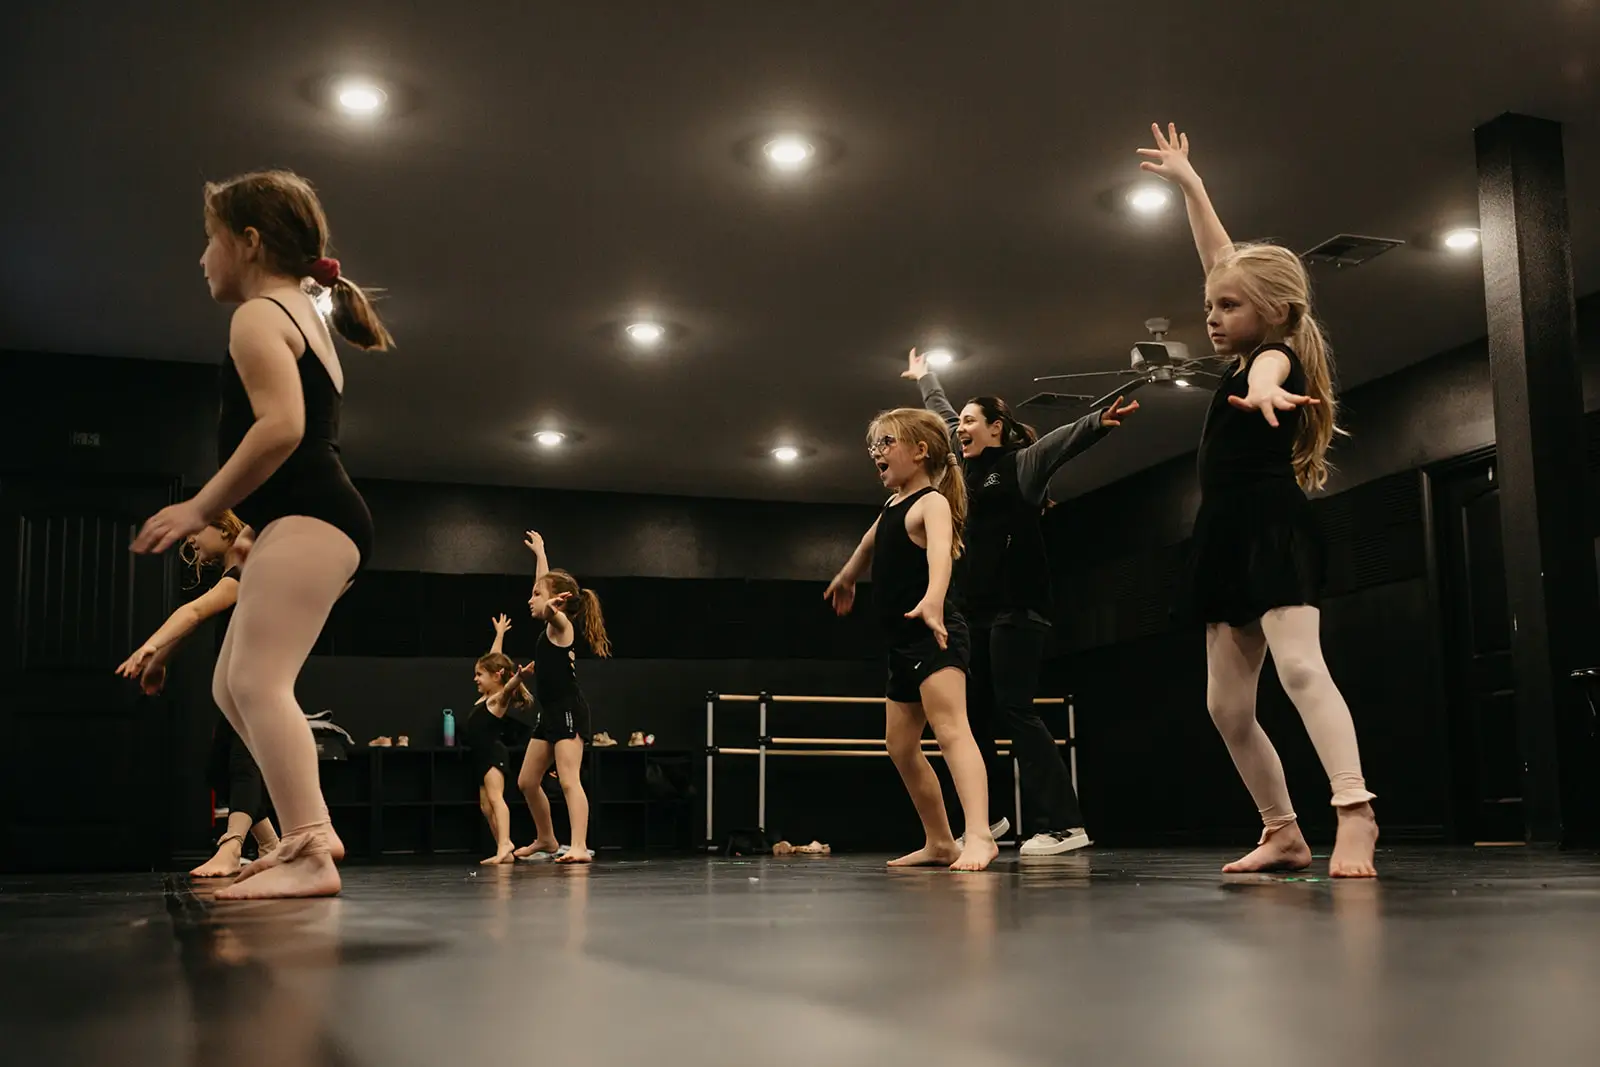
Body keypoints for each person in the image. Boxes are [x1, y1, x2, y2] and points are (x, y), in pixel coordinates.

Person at [132, 169, 392, 899]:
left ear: (248, 242)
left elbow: (284, 427)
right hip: (311, 520)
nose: (202, 259)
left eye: (208, 241)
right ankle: (298, 836)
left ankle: (311, 846)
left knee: (255, 679)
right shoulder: (301, 310)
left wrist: (197, 508)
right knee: (229, 683)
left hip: (314, 515)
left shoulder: (259, 315)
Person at [1138, 121, 1378, 877]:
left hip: (1272, 525)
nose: (1212, 315)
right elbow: (1220, 258)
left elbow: (1272, 363)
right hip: (1224, 533)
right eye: (1210, 304)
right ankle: (1282, 830)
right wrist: (1190, 182)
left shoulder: (1272, 355)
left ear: (1271, 313)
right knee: (1227, 707)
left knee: (1301, 669)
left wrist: (1269, 392)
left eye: (1228, 307)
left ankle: (1354, 811)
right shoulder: (1249, 334)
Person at [904, 350, 1138, 855]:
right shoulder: (959, 469)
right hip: (977, 613)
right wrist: (926, 377)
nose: (959, 428)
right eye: (959, 422)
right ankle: (990, 820)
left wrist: (1097, 421)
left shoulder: (1019, 466)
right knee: (973, 718)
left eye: (970, 421)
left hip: (1019, 609)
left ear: (996, 429)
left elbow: (1059, 444)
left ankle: (1064, 824)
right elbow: (943, 414)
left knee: (1015, 710)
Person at [824, 407, 997, 871]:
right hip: (901, 642)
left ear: (920, 452)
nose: (876, 453)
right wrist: (846, 578)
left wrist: (934, 599)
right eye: (874, 445)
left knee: (952, 729)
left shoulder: (931, 503)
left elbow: (941, 556)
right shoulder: (891, 507)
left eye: (886, 443)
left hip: (933, 633)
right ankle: (940, 841)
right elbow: (867, 547)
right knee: (900, 746)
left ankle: (979, 835)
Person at [117, 510, 280, 876]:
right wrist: (160, 662)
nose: (190, 541)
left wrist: (148, 647)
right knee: (217, 771)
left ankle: (232, 846)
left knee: (242, 763)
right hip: (239, 683)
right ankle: (273, 847)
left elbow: (192, 612)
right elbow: (195, 622)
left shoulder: (242, 576)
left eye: (195, 533)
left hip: (258, 680)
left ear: (224, 531)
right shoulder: (231, 578)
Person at [514, 531, 611, 864]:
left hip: (569, 710)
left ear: (558, 599)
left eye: (536, 594)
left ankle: (580, 846)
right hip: (549, 712)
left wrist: (551, 608)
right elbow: (544, 587)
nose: (531, 598)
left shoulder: (561, 625)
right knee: (527, 781)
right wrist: (540, 552)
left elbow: (549, 609)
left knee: (569, 780)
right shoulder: (549, 628)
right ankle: (547, 838)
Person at [462, 614, 536, 865]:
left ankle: (505, 845)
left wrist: (519, 677)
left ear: (495, 676)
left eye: (479, 675)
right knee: (485, 806)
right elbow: (495, 660)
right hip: (481, 756)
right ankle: (502, 847)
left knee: (496, 799)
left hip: (494, 755)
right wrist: (500, 634)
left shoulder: (496, 700)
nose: (475, 679)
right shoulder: (487, 697)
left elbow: (506, 686)